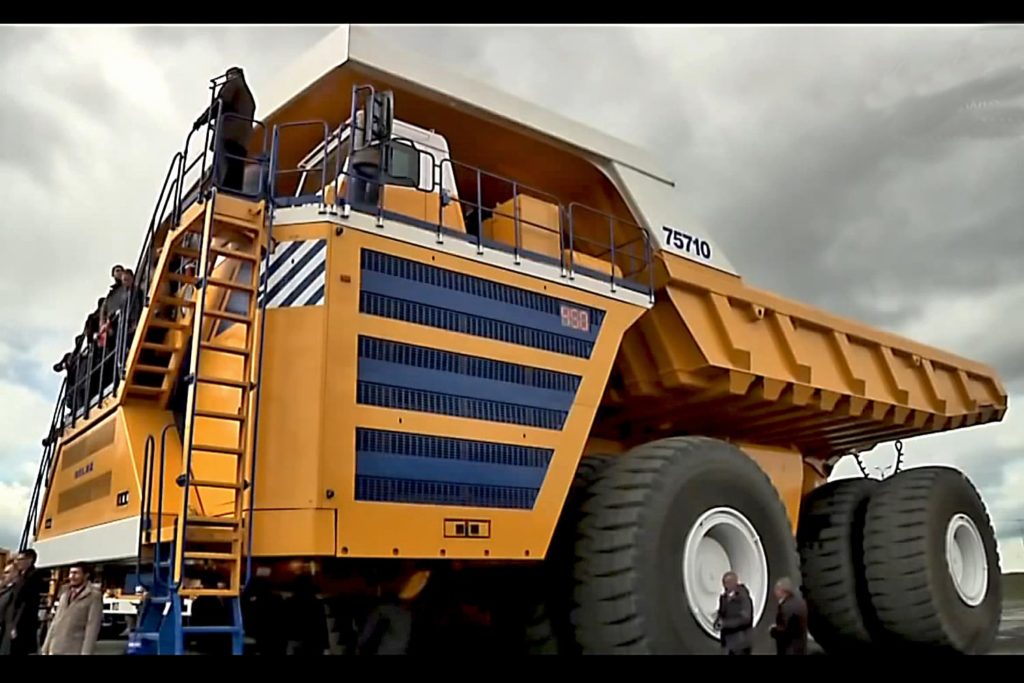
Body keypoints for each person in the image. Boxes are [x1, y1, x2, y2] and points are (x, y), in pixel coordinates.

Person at [193, 66, 256, 193]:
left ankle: (220, 191)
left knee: (224, 168)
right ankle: (233, 194)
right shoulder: (249, 98)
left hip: (228, 135)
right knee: (235, 171)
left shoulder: (233, 84)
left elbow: (221, 102)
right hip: (242, 140)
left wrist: (202, 120)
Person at [41, 562, 102, 655]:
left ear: (86, 575)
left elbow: (92, 628)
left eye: (76, 573)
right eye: (70, 573)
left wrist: (86, 652)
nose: (71, 576)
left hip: (74, 648)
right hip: (55, 648)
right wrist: (46, 647)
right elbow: (55, 622)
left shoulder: (93, 596)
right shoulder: (65, 593)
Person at [7, 549, 49, 655]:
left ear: (30, 560)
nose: (17, 562)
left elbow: (25, 603)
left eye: (20, 559)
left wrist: (15, 625)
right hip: (16, 621)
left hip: (23, 624)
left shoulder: (33, 577)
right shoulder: (22, 576)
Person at [715, 570, 754, 655]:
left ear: (735, 582)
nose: (725, 585)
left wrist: (726, 624)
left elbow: (746, 618)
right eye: (724, 583)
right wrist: (717, 622)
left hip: (740, 642)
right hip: (727, 642)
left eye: (728, 583)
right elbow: (722, 614)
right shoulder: (723, 598)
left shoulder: (743, 597)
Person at [770, 577, 808, 655]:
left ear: (781, 591)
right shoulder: (800, 602)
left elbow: (785, 630)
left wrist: (773, 630)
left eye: (776, 590)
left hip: (789, 648)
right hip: (800, 645)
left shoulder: (786, 607)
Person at [0, 562, 18, 655]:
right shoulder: (4, 589)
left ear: (15, 573)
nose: (3, 575)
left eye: (7, 572)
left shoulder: (15, 591)